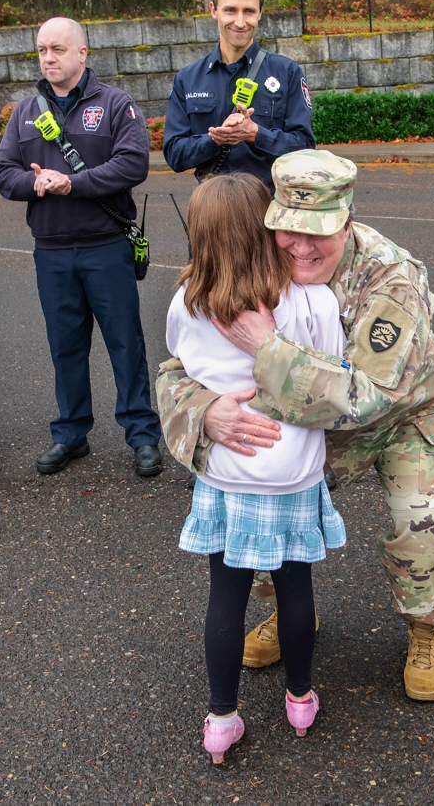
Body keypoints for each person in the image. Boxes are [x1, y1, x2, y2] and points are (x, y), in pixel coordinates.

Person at [157, 149, 434, 703]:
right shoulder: (260, 262)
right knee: (257, 515)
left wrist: (265, 349)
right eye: (287, 230)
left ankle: (427, 624)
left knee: (418, 522)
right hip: (308, 424)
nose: (301, 248)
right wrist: (204, 411)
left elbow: (366, 399)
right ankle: (294, 611)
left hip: (402, 414)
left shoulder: (391, 279)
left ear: (346, 222)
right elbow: (182, 366)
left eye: (318, 233)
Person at [165, 172, 346, 761]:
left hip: (226, 471)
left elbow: (183, 368)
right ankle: (299, 698)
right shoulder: (312, 300)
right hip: (293, 475)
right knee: (297, 590)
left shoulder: (187, 302)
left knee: (226, 595)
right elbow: (333, 378)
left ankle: (222, 718)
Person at [0, 17, 162, 477]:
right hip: (51, 251)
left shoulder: (114, 104)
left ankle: (142, 435)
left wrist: (74, 183)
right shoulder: (25, 111)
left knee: (125, 343)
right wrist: (36, 182)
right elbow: (5, 176)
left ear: (82, 54)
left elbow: (133, 164)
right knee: (64, 346)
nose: (48, 58)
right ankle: (70, 433)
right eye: (42, 50)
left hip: (106, 246)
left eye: (58, 49)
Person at [163, 0, 315, 191]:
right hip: (213, 213)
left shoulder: (287, 72)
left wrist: (256, 134)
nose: (240, 22)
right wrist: (214, 140)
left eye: (249, 11)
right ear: (214, 10)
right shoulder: (187, 79)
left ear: (260, 12)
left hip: (270, 212)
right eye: (231, 10)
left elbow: (305, 148)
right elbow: (175, 155)